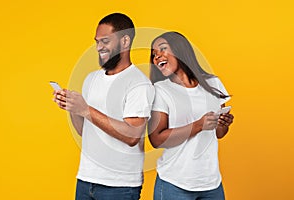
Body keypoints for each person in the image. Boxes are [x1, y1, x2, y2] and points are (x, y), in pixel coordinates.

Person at [53, 13, 155, 200]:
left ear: (125, 41)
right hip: (85, 180)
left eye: (105, 41)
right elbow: (86, 131)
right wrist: (73, 108)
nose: (99, 47)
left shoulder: (138, 83)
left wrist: (85, 109)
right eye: (97, 41)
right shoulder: (91, 79)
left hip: (119, 187)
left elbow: (133, 135)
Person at [148, 31, 234, 200]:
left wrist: (223, 124)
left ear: (180, 50)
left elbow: (219, 134)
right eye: (154, 55)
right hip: (174, 183)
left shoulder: (212, 83)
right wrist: (198, 125)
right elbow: (157, 139)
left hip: (211, 183)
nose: (157, 57)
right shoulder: (160, 90)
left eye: (162, 49)